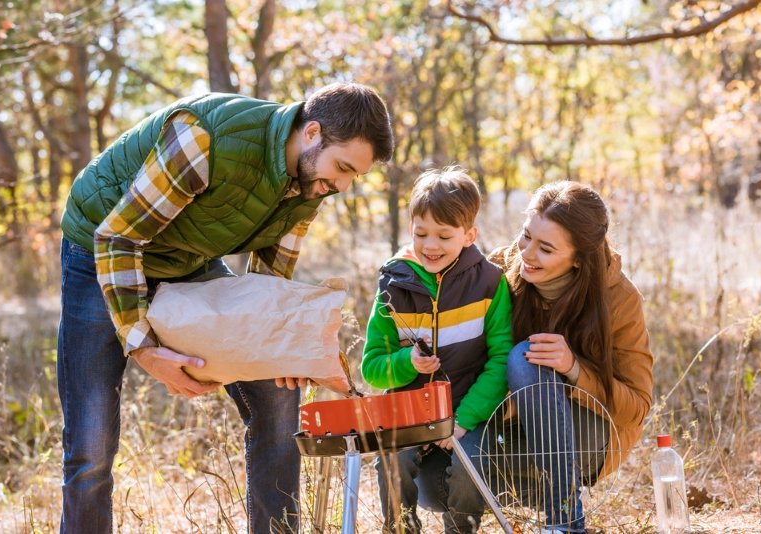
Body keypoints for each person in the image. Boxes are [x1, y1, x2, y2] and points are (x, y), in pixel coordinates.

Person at [56, 83, 394, 533]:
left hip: (189, 254)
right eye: (343, 168)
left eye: (355, 176)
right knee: (91, 444)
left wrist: (279, 349)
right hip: (100, 251)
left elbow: (268, 282)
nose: (344, 185)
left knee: (277, 393)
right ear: (312, 132)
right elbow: (118, 238)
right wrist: (145, 350)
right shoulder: (204, 141)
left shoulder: (314, 184)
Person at [487, 181, 653, 533]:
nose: (527, 254)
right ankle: (521, 495)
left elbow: (637, 406)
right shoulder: (499, 270)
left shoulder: (619, 300)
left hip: (588, 435)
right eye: (525, 236)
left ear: (578, 259)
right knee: (433, 484)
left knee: (526, 356)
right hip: (513, 427)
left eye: (545, 248)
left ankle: (565, 521)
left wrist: (574, 369)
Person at [360, 167, 514, 533]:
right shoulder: (393, 288)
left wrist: (463, 420)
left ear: (468, 235)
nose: (430, 245)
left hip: (468, 411)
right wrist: (406, 362)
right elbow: (371, 366)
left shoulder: (490, 284)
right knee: (391, 463)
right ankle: (401, 528)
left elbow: (501, 359)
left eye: (444, 236)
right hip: (410, 413)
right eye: (420, 233)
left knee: (468, 470)